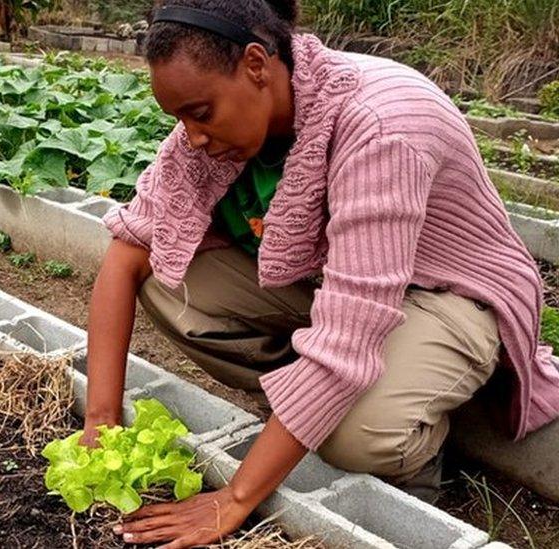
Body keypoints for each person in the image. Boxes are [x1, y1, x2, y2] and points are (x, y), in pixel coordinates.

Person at [82, 0, 559, 547]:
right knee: (171, 282)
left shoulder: (381, 126)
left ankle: (416, 466)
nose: (190, 136)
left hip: (451, 292)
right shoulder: (216, 128)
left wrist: (235, 498)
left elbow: (346, 336)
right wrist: (101, 421)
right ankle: (319, 400)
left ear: (257, 65)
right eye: (180, 119)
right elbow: (128, 251)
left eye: (200, 113)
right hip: (339, 284)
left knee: (355, 438)